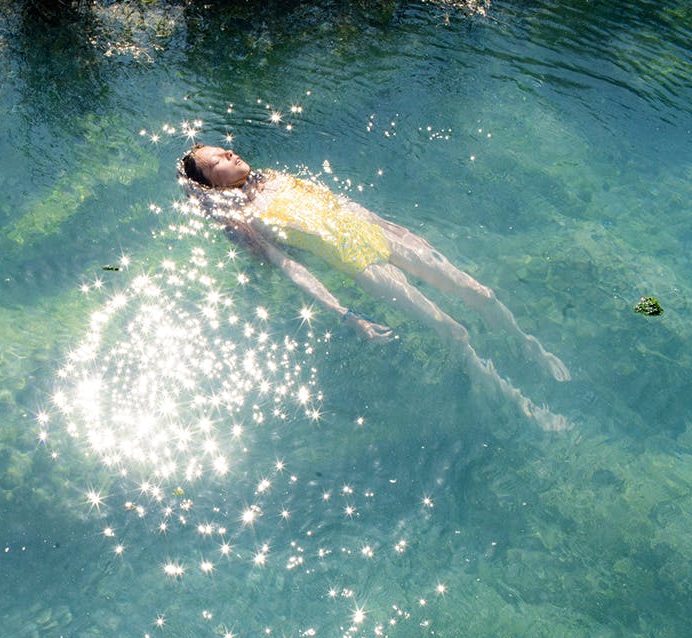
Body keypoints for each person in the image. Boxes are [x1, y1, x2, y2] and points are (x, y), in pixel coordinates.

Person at [179, 145, 570, 431]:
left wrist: (405, 234)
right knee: (453, 330)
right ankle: (520, 404)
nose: (230, 153)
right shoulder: (245, 219)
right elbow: (293, 270)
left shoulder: (276, 178)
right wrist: (346, 315)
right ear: (212, 185)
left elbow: (347, 207)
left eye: (225, 150)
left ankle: (529, 345)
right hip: (361, 264)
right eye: (218, 162)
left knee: (482, 294)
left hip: (381, 237)